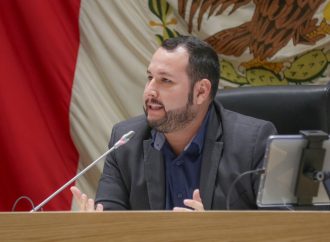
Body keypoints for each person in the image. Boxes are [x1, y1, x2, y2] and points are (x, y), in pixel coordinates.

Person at [71, 35, 277, 211]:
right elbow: (111, 220)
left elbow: (283, 229)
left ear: (201, 92)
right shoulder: (125, 141)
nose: (150, 91)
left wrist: (214, 233)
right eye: (150, 77)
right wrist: (97, 228)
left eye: (165, 81)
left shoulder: (254, 143)